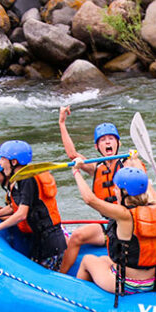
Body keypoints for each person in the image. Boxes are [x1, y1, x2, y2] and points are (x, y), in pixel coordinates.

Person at [72, 163, 156, 305]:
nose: (115, 191)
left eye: (116, 188)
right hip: (150, 281)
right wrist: (135, 162)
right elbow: (146, 185)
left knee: (87, 260)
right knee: (104, 260)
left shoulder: (124, 214)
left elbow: (90, 199)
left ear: (124, 192)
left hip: (126, 285)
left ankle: (78, 302)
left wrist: (76, 171)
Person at [58, 105, 130, 274]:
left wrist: (133, 158)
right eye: (103, 140)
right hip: (107, 224)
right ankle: (59, 277)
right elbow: (72, 154)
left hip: (126, 224)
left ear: (118, 143)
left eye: (111, 139)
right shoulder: (96, 167)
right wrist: (62, 123)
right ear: (97, 147)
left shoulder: (128, 165)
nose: (107, 142)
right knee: (76, 236)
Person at [0, 140, 67, 271]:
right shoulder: (22, 179)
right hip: (41, 241)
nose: (0, 163)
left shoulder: (27, 179)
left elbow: (21, 214)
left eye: (3, 159)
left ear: (14, 162)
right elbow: (14, 207)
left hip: (50, 242)